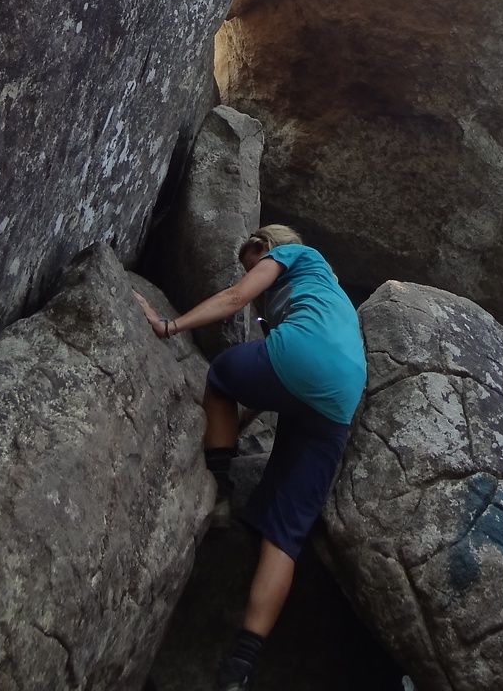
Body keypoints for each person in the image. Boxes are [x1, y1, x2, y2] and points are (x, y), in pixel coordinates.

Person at [134, 224, 366, 691]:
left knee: (220, 374)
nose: (256, 274)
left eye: (254, 262)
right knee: (285, 533)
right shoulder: (327, 294)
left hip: (304, 363)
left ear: (266, 248)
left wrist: (168, 326)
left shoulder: (298, 256)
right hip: (341, 399)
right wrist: (239, 421)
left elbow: (238, 297)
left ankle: (219, 490)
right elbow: (285, 376)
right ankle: (241, 665)